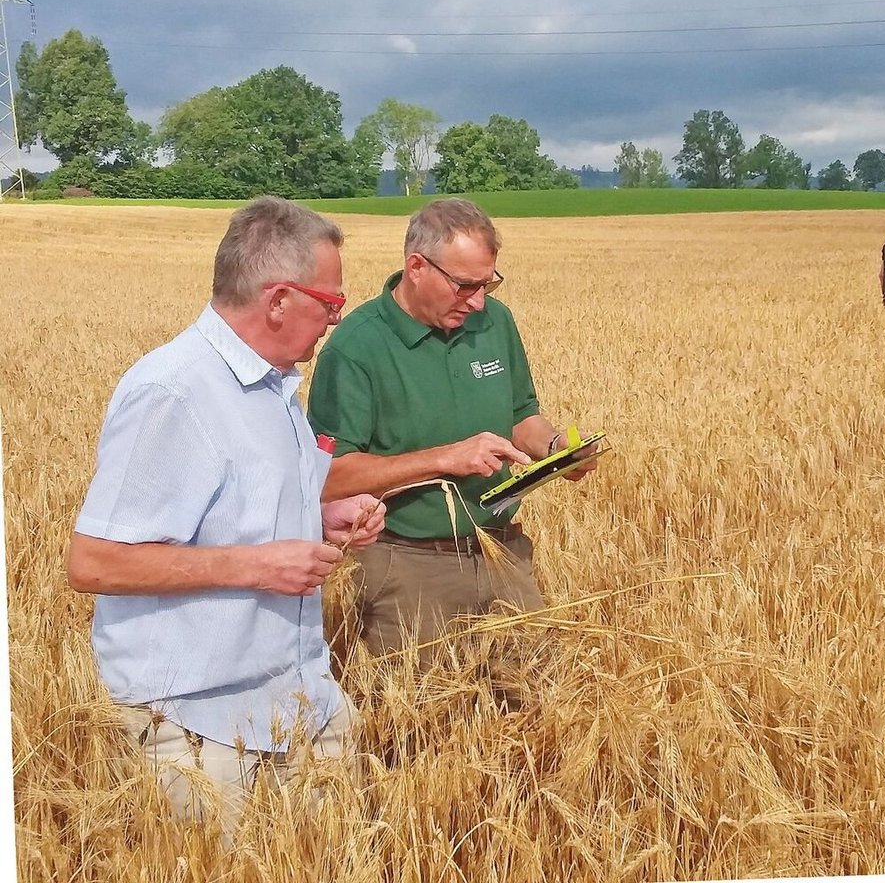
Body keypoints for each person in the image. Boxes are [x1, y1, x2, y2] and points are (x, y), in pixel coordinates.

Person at [65, 197, 387, 832]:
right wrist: (258, 565)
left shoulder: (274, 385)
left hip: (295, 692)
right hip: (198, 720)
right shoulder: (175, 391)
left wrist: (322, 518)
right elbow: (94, 561)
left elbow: (243, 509)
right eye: (329, 302)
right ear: (277, 301)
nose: (336, 318)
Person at [307, 198, 596, 673]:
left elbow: (522, 415)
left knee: (538, 706)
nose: (478, 301)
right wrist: (446, 459)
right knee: (420, 726)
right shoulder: (356, 347)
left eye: (487, 284)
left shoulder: (494, 321)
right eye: (465, 286)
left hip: (503, 551)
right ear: (416, 267)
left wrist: (556, 449)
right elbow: (331, 477)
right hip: (408, 565)